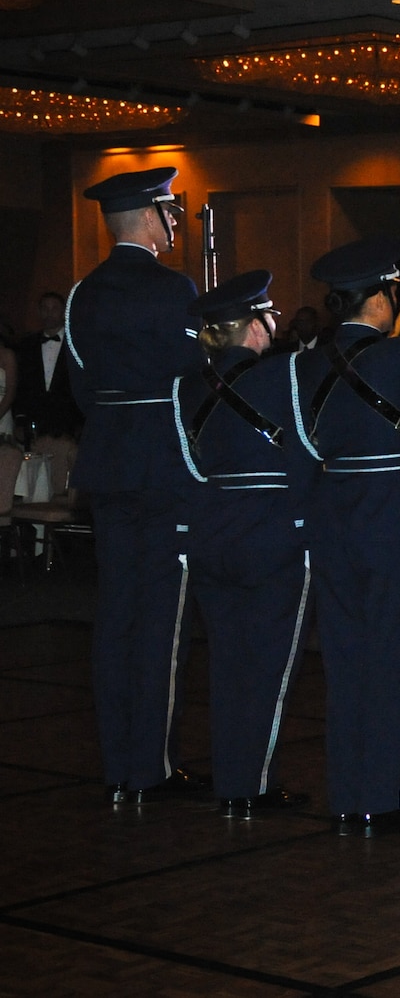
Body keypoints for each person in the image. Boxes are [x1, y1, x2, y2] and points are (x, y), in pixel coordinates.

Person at [66, 167, 211, 805]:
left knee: (116, 616)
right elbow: (195, 380)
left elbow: (77, 388)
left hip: (106, 468)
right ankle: (151, 767)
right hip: (163, 470)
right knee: (162, 622)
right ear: (150, 218)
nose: (174, 223)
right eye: (170, 213)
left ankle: (117, 763)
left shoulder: (81, 296)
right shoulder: (172, 289)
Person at [291, 238, 400, 837]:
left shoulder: (302, 364)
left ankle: (347, 795)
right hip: (394, 523)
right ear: (378, 299)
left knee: (345, 664)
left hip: (331, 521)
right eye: (391, 294)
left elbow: (302, 452)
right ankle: (383, 796)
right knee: (392, 664)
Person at [171, 269, 314, 817]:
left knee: (227, 665)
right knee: (270, 668)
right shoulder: (285, 377)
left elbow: (187, 468)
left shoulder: (188, 388)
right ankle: (252, 784)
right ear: (253, 326)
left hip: (211, 534)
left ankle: (231, 777)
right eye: (268, 316)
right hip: (272, 534)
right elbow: (303, 460)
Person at [13, 292, 84, 441]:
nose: (49, 313)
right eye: (45, 309)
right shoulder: (27, 344)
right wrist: (20, 419)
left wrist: (80, 423)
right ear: (39, 312)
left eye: (54, 308)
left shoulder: (77, 344)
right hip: (34, 423)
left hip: (68, 423)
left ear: (64, 312)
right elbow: (21, 384)